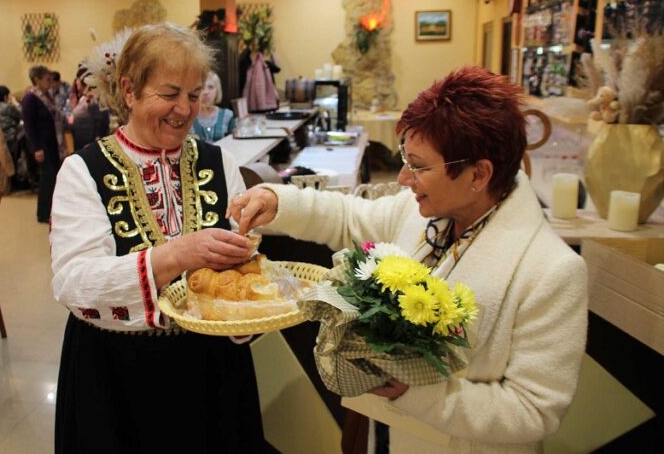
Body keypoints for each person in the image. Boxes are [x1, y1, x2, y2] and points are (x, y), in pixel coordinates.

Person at [229, 66, 588, 454]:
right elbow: (348, 216)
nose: (403, 178)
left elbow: (534, 410)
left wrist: (415, 393)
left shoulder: (551, 272)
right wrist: (278, 200)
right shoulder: (422, 212)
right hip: (382, 435)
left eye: (419, 165)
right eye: (405, 158)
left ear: (478, 174)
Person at [50, 23, 265, 453]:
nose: (184, 109)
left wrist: (247, 296)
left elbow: (247, 266)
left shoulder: (219, 161)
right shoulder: (82, 171)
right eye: (169, 94)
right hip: (116, 375)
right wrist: (177, 254)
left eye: (194, 94)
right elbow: (72, 282)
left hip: (212, 371)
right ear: (129, 90)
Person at [22, 65, 62, 223]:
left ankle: (53, 210)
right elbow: (29, 125)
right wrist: (37, 148)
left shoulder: (47, 96)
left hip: (52, 143)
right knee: (48, 177)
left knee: (54, 177)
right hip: (42, 145)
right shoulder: (30, 98)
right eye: (47, 79)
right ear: (37, 80)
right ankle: (43, 213)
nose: (50, 82)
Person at [67, 63, 109, 150]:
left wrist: (94, 143)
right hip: (80, 140)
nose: (76, 82)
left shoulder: (93, 99)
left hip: (88, 144)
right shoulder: (84, 97)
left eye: (78, 80)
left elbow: (101, 122)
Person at [190, 71, 235, 142]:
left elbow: (234, 145)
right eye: (201, 88)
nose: (205, 92)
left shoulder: (227, 115)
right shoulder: (189, 116)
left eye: (210, 87)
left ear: (217, 91)